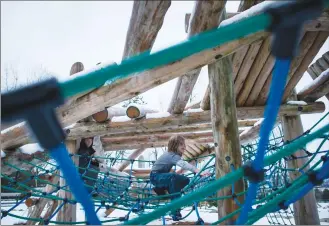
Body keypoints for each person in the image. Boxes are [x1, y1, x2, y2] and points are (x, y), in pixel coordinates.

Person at [149, 135, 210, 221]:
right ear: (174, 145)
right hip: (155, 177)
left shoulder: (174, 155)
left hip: (162, 177)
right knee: (174, 178)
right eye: (181, 144)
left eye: (184, 144)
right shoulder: (171, 155)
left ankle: (162, 190)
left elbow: (179, 166)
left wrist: (178, 173)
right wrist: (198, 171)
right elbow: (183, 164)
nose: (184, 147)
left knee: (185, 180)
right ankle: (175, 210)